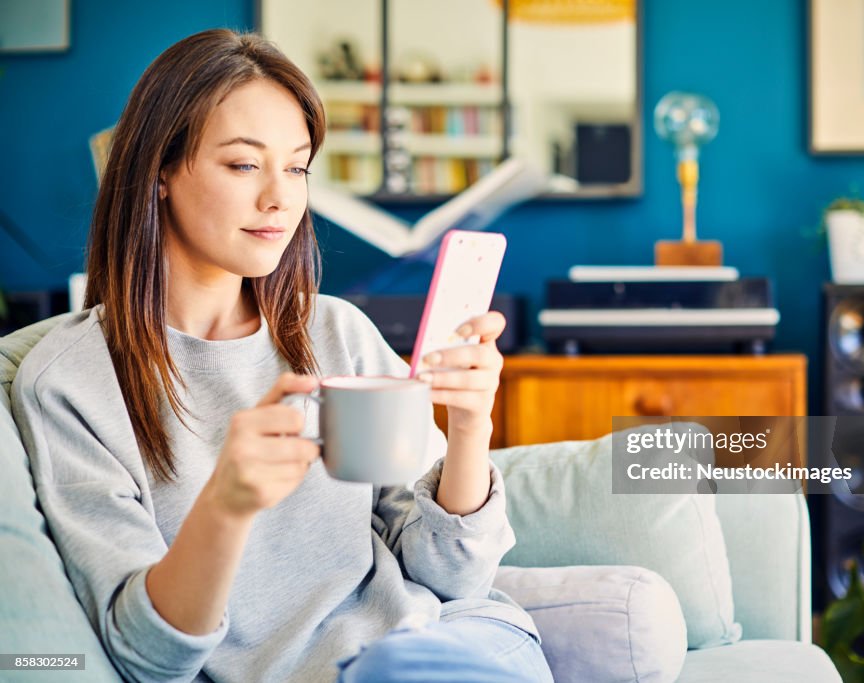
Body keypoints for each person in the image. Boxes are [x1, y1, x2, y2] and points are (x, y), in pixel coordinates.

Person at [12, 28, 553, 683]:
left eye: (296, 166)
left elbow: (456, 577)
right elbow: (145, 657)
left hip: (454, 639)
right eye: (244, 164)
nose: (280, 198)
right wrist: (227, 505)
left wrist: (470, 429)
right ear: (158, 171)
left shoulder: (336, 333)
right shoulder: (72, 383)